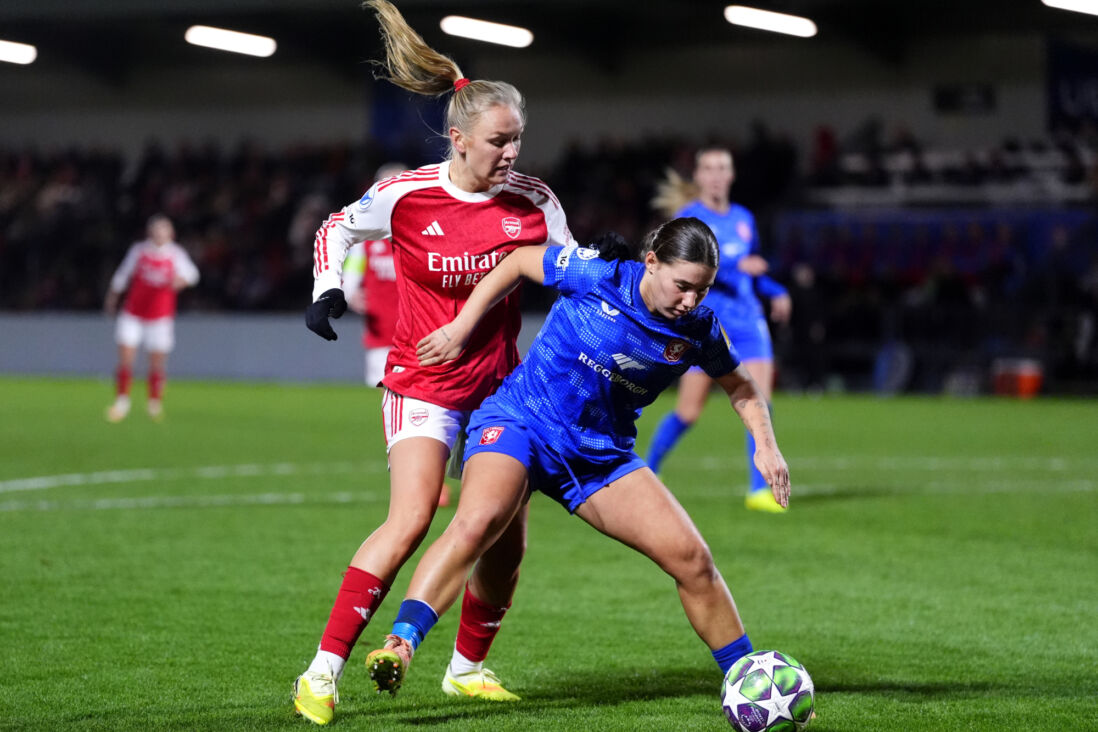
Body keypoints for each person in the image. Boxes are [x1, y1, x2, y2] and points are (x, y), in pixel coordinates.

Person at [362, 218, 791, 698]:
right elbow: (520, 261)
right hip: (522, 421)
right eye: (683, 286)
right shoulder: (597, 275)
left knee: (693, 560)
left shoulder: (698, 329)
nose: (691, 300)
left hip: (598, 456)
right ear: (651, 263)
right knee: (478, 523)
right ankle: (401, 644)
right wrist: (464, 324)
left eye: (703, 290)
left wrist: (766, 445)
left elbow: (741, 386)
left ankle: (755, 684)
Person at [293, 0, 577, 725]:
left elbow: (568, 271)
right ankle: (321, 674)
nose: (511, 154)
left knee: (503, 537)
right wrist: (328, 290)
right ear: (458, 137)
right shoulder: (407, 195)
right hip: (423, 383)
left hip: (500, 394)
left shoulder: (534, 201)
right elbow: (336, 227)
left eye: (518, 140)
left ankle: (466, 669)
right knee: (413, 517)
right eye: (497, 141)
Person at [645, 147, 793, 512]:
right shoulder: (689, 218)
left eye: (722, 168)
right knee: (689, 412)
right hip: (706, 324)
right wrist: (734, 266)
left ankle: (760, 490)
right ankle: (649, 469)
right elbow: (685, 269)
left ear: (731, 175)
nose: (715, 175)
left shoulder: (744, 217)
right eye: (708, 168)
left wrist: (776, 291)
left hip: (749, 321)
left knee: (759, 401)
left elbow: (753, 271)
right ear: (698, 176)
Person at [342, 163, 454, 507]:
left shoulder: (429, 233)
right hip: (381, 337)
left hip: (424, 337)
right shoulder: (367, 242)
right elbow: (348, 276)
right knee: (396, 412)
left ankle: (436, 480)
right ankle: (413, 479)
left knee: (436, 407)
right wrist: (349, 294)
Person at [103, 214, 199, 422]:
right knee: (126, 359)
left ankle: (154, 403)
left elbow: (193, 274)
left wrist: (180, 281)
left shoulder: (176, 254)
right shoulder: (139, 251)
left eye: (164, 229)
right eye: (156, 229)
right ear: (150, 232)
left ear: (171, 233)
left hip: (160, 317)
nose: (159, 233)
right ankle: (122, 401)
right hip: (133, 314)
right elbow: (122, 275)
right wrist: (112, 298)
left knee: (157, 363)